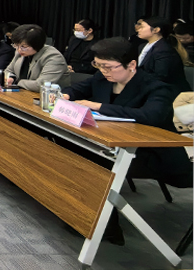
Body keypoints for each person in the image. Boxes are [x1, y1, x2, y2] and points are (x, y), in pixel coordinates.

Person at [62, 37, 192, 244]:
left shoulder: (156, 87)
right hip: (113, 144)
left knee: (96, 162)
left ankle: (106, 228)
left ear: (131, 64)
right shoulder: (102, 78)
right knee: (71, 150)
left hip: (152, 154)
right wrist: (66, 96)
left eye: (108, 67)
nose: (103, 71)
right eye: (98, 65)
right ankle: (78, 210)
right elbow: (77, 89)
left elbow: (150, 116)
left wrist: (99, 107)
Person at [4, 24, 70, 92]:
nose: (19, 50)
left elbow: (41, 85)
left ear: (36, 44)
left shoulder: (54, 57)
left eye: (24, 46)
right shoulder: (20, 52)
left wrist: (17, 82)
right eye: (16, 45)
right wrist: (11, 78)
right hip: (24, 93)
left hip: (50, 96)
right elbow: (8, 71)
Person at [135, 16, 190, 95]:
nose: (138, 29)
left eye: (142, 27)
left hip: (168, 92)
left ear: (156, 30)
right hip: (150, 87)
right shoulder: (142, 47)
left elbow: (161, 76)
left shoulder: (164, 50)